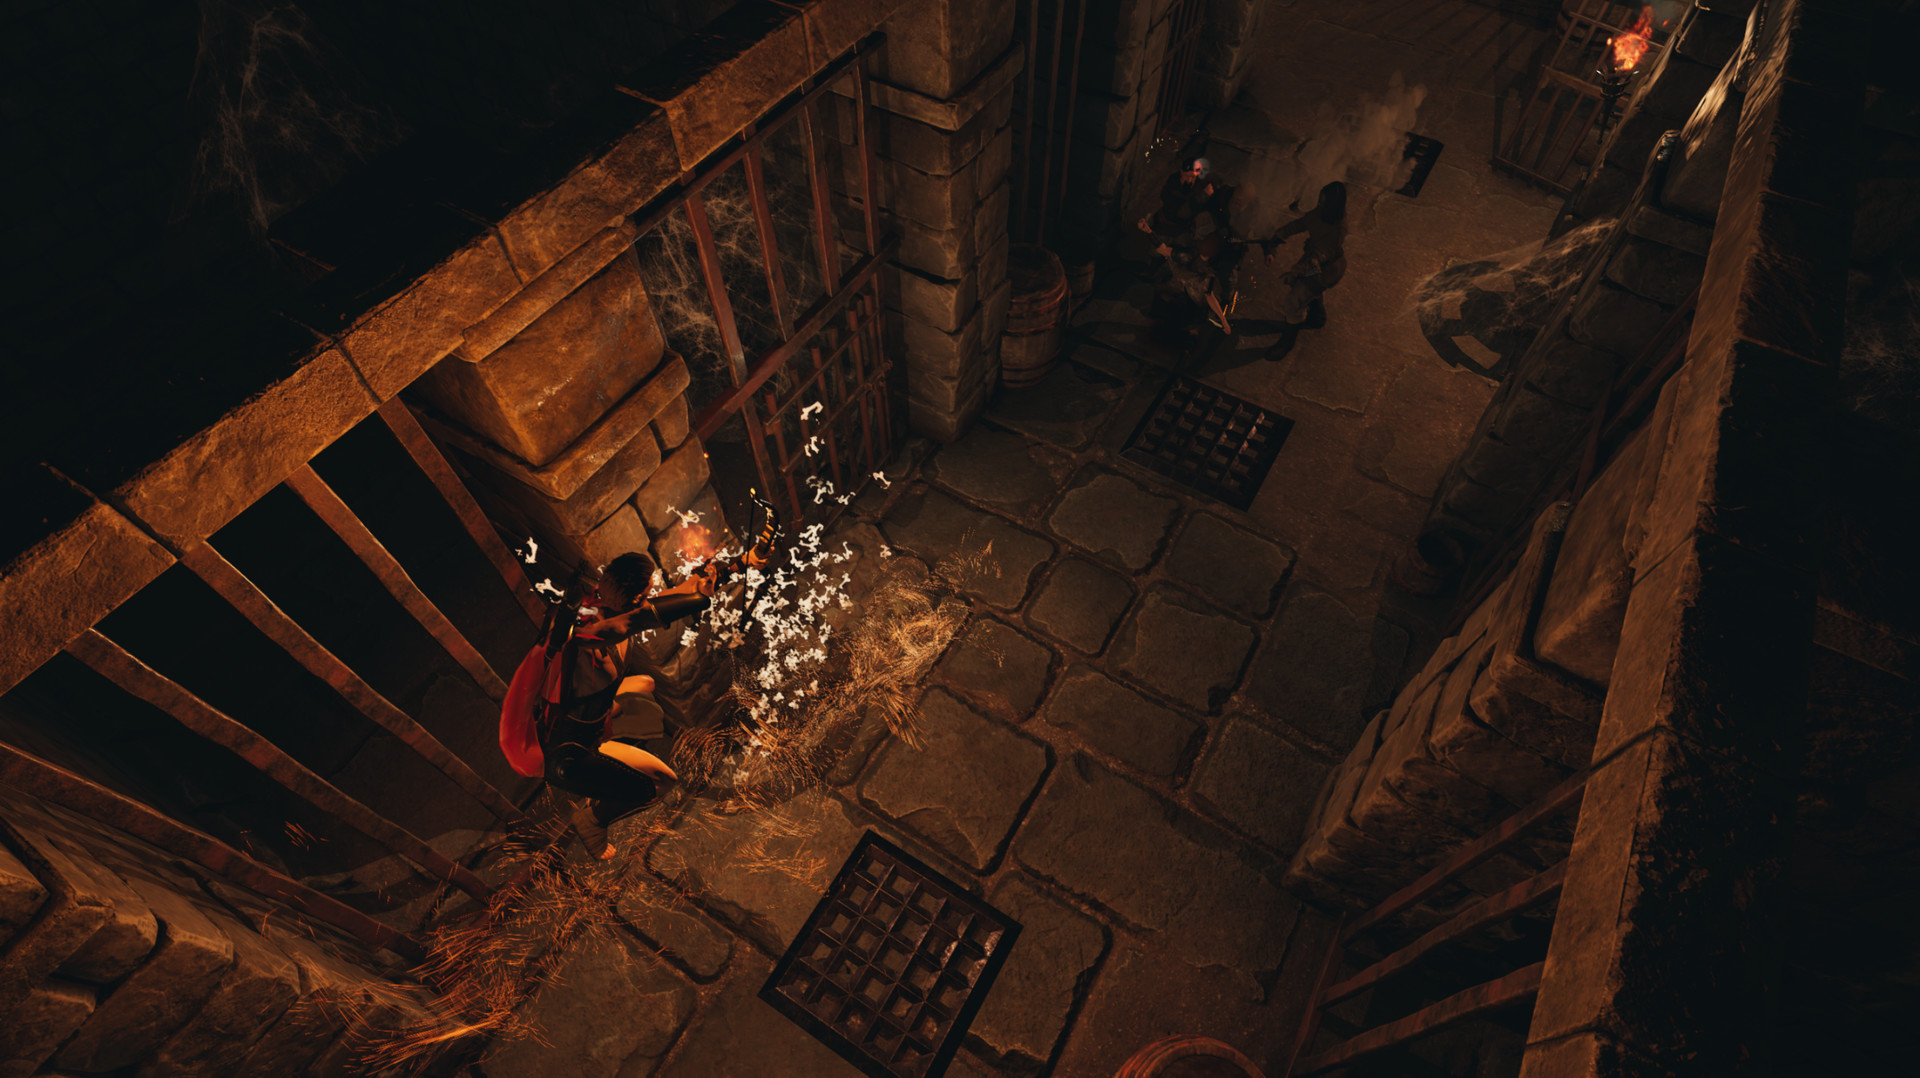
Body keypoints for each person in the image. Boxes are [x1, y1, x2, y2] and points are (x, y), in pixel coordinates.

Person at [501, 514, 778, 859]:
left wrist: (742, 562)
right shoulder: (590, 635)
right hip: (569, 757)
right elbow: (633, 621)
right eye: (646, 594)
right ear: (631, 598)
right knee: (654, 787)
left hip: (594, 725)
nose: (651, 597)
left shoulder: (608, 604)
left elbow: (675, 594)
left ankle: (604, 774)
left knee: (649, 706)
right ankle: (592, 820)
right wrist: (695, 601)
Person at [1260, 181, 1349, 358]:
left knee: (1294, 301)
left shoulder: (1337, 230)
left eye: (1323, 201)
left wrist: (1294, 273)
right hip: (1315, 263)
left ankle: (1287, 343)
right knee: (1308, 289)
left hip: (1323, 270)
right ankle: (1317, 317)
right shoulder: (1322, 212)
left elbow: (1318, 258)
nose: (1319, 204)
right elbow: (1302, 223)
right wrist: (1279, 235)